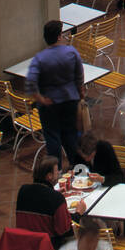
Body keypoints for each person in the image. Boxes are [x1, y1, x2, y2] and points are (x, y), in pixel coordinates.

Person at [24, 19, 85, 170]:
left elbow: (30, 83)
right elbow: (79, 77)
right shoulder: (71, 52)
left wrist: (41, 99)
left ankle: (55, 171)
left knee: (52, 138)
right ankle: (77, 168)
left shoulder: (39, 59)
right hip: (70, 100)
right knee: (70, 135)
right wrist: (80, 93)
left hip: (49, 105)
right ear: (58, 36)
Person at [15, 153, 73, 250]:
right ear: (49, 176)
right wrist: (79, 213)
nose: (59, 173)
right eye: (57, 171)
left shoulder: (23, 190)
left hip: (25, 245)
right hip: (48, 249)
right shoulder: (56, 198)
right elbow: (64, 231)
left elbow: (38, 202)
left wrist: (54, 194)